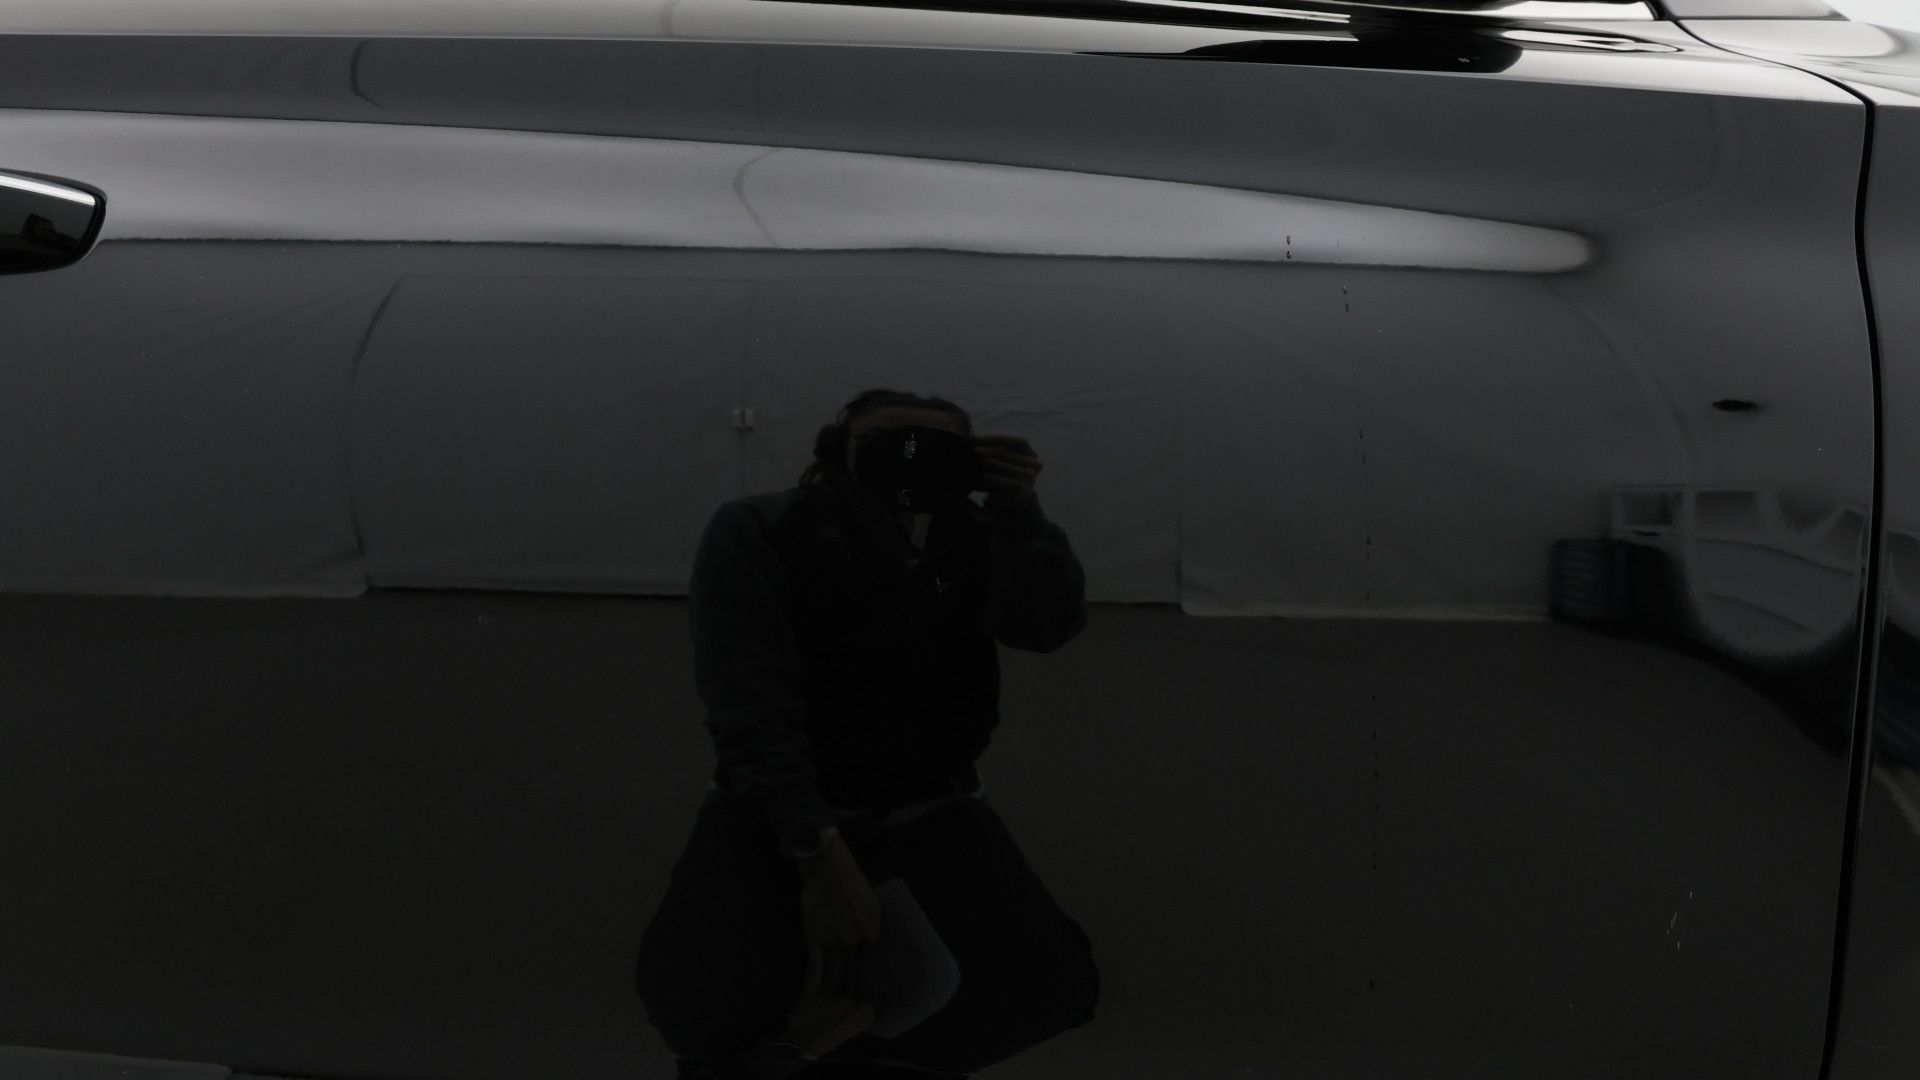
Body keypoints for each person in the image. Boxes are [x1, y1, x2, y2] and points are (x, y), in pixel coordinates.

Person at [636, 388, 1101, 1079]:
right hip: (777, 804)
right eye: (886, 442)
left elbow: (1045, 626)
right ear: (838, 455)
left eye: (932, 446)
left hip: (933, 801)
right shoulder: (765, 527)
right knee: (703, 1009)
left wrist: (1020, 512)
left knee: (1047, 990)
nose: (909, 457)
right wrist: (815, 850)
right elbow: (748, 698)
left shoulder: (973, 534)